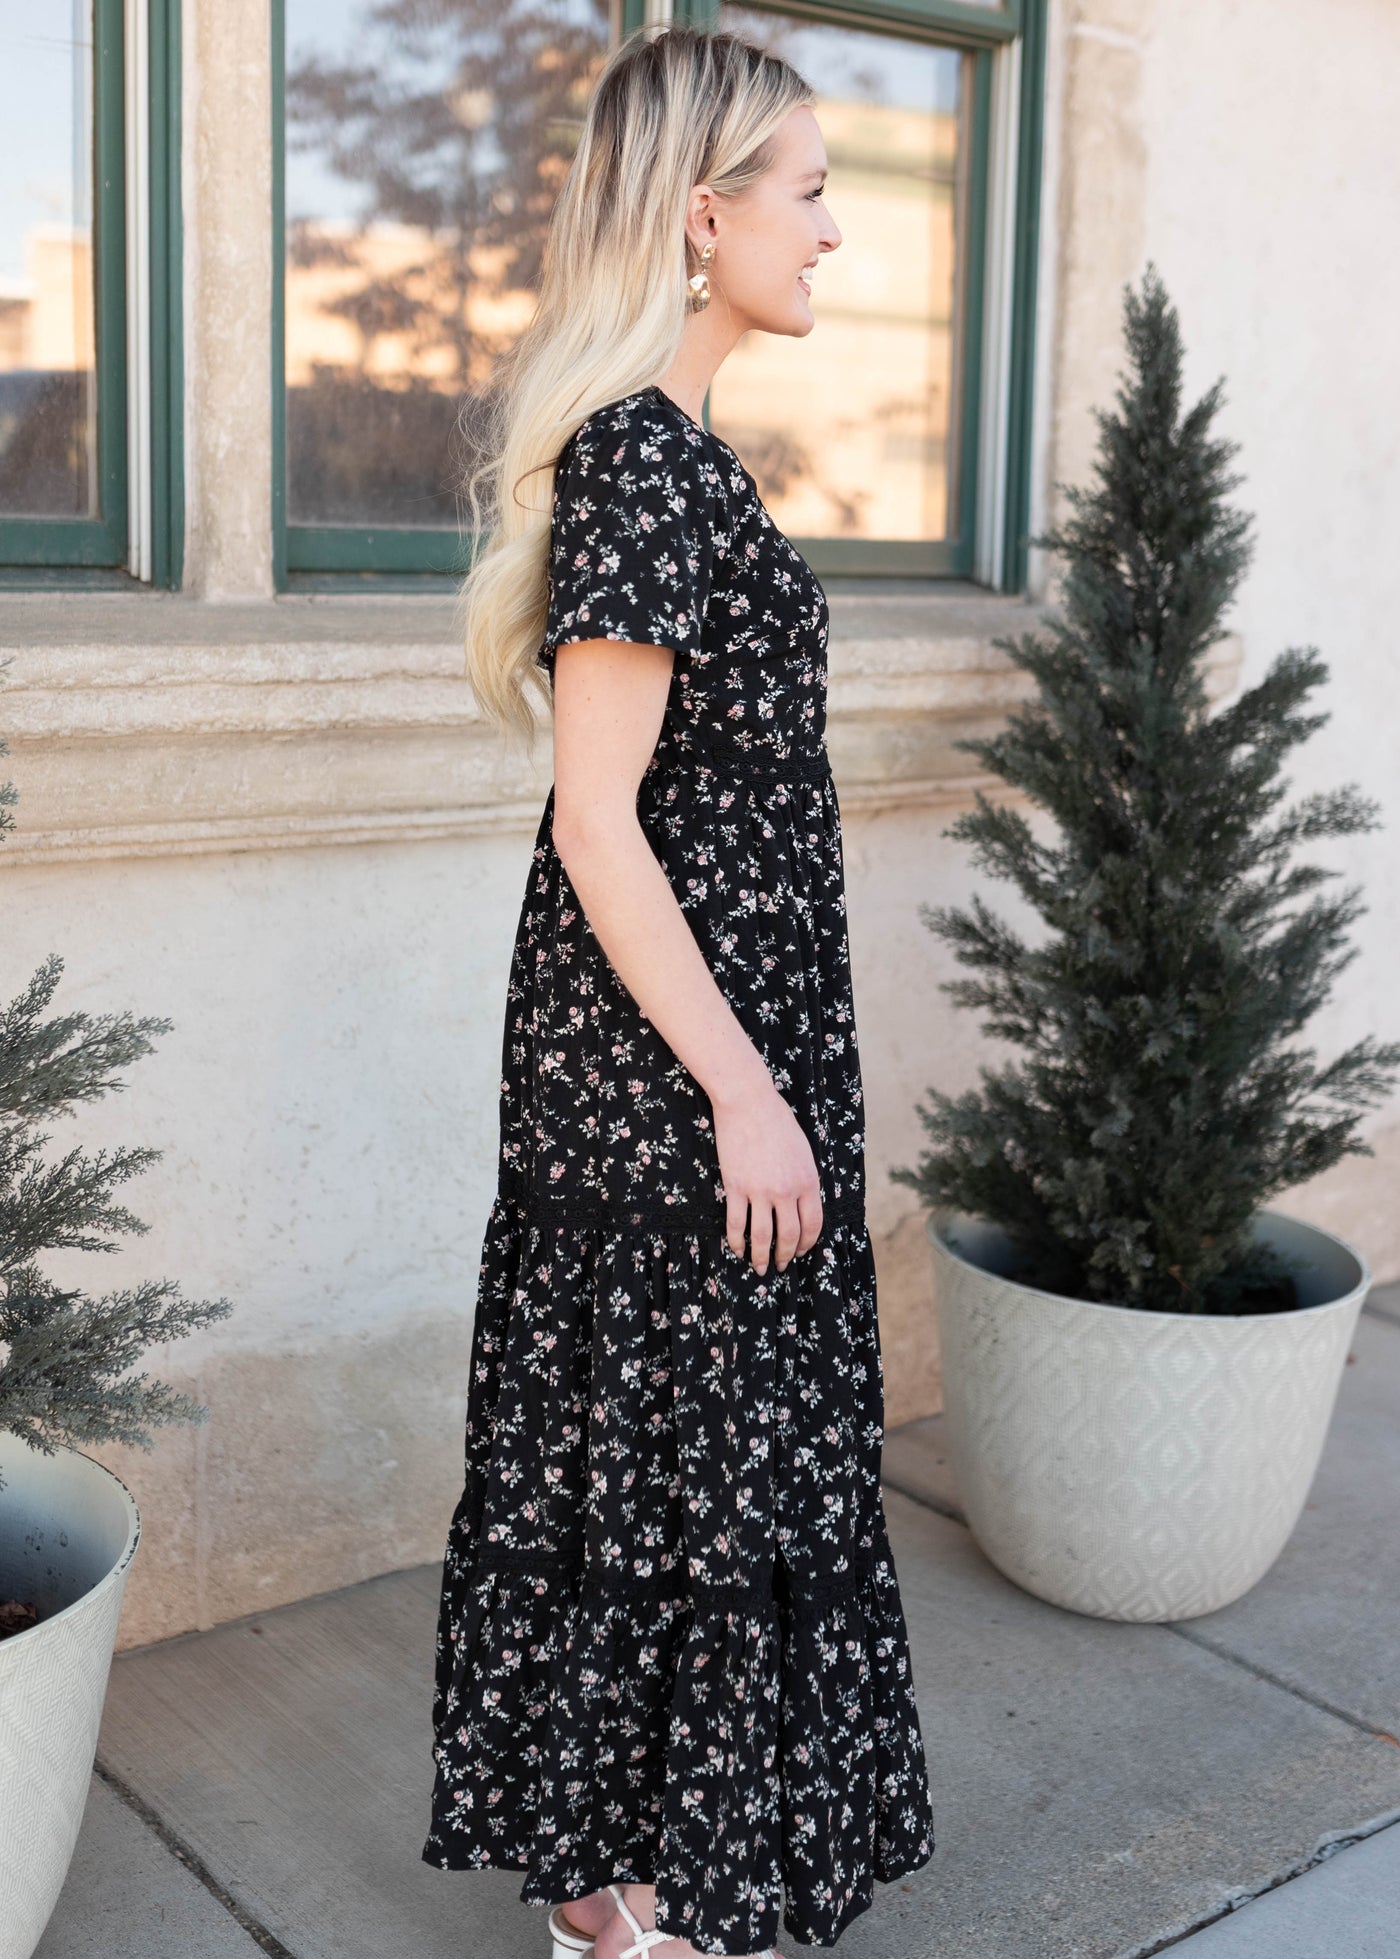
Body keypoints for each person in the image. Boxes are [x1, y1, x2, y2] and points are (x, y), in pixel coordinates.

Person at [422, 23, 936, 1959]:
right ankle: (628, 1917)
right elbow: (596, 823)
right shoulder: (646, 451)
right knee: (659, 1482)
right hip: (661, 1085)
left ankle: (618, 1909)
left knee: (648, 1483)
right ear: (705, 215)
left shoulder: (678, 449)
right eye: (810, 190)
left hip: (690, 1062)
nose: (833, 231)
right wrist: (742, 1085)